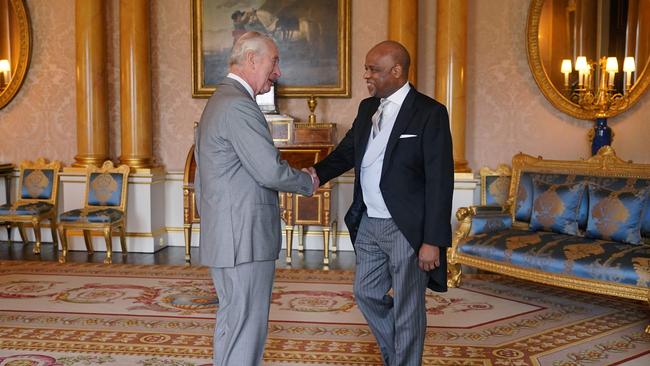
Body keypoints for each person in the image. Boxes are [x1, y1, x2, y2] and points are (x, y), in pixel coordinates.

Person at [307, 40, 454, 365]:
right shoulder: (366, 108)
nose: (366, 75)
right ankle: (398, 355)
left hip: (407, 228)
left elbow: (441, 181)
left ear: (396, 71)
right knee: (366, 293)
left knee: (408, 306)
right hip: (369, 223)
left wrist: (433, 240)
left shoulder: (430, 113)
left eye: (373, 69)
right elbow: (347, 153)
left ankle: (404, 359)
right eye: (366, 68)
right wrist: (315, 175)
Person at [194, 31, 319, 366]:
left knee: (233, 323)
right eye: (274, 61)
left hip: (228, 233)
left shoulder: (219, 100)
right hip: (243, 238)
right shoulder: (238, 106)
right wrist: (307, 180)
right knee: (246, 328)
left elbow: (201, 178)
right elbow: (270, 171)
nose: (277, 72)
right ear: (252, 59)